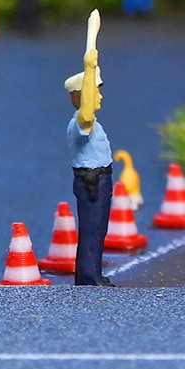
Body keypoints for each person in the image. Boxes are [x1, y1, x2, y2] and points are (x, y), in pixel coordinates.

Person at [65, 48, 114, 286]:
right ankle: (89, 279)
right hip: (92, 181)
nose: (100, 96)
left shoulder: (92, 125)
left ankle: (91, 274)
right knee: (93, 229)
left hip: (98, 179)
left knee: (97, 229)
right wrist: (89, 67)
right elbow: (86, 114)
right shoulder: (81, 123)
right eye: (95, 91)